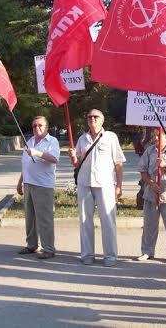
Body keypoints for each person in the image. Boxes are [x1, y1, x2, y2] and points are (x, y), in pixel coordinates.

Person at [69, 109, 125, 267]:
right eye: (89, 117)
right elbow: (78, 164)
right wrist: (73, 158)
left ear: (102, 120)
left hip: (105, 184)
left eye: (96, 116)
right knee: (85, 220)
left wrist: (119, 185)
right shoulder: (82, 138)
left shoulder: (110, 137)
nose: (92, 119)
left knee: (108, 221)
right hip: (84, 184)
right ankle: (87, 254)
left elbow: (118, 163)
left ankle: (110, 256)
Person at [136, 128, 166, 262]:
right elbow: (143, 170)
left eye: (159, 135)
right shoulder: (149, 151)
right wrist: (150, 183)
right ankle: (147, 251)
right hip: (151, 194)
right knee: (149, 225)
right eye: (154, 136)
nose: (156, 139)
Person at [16, 116, 60, 259]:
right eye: (34, 126)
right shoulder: (29, 141)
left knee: (44, 219)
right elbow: (26, 164)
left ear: (47, 127)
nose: (37, 128)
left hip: (43, 185)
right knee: (30, 218)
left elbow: (54, 159)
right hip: (28, 183)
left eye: (40, 125)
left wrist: (38, 153)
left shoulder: (52, 141)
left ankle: (48, 248)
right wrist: (20, 181)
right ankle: (32, 245)